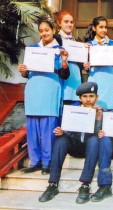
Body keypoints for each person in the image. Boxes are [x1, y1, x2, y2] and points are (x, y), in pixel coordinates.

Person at [18, 18, 70, 175]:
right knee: (33, 129)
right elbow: (28, 72)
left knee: (48, 129)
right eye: (41, 31)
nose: (44, 33)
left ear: (53, 30)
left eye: (46, 30)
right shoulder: (33, 49)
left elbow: (65, 74)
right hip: (33, 91)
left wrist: (64, 62)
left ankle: (47, 162)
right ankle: (35, 161)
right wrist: (23, 71)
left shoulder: (60, 50)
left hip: (49, 92)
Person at [38, 82, 103, 204]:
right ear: (80, 98)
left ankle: (85, 185)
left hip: (89, 148)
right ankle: (53, 183)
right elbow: (67, 130)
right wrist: (62, 131)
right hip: (74, 145)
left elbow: (99, 135)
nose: (88, 99)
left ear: (96, 97)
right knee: (60, 140)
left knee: (94, 140)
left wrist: (98, 117)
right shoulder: (72, 111)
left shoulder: (100, 112)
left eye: (91, 96)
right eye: (85, 96)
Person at [84, 16, 113, 110]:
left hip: (110, 78)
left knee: (111, 107)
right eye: (101, 27)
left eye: (105, 27)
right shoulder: (88, 44)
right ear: (94, 28)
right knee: (94, 108)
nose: (104, 30)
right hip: (95, 78)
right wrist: (86, 65)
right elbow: (84, 67)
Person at [54, 10, 84, 105]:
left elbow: (81, 65)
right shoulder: (55, 39)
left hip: (75, 81)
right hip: (60, 81)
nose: (69, 24)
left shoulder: (78, 41)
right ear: (59, 23)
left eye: (71, 22)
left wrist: (85, 63)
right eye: (66, 22)